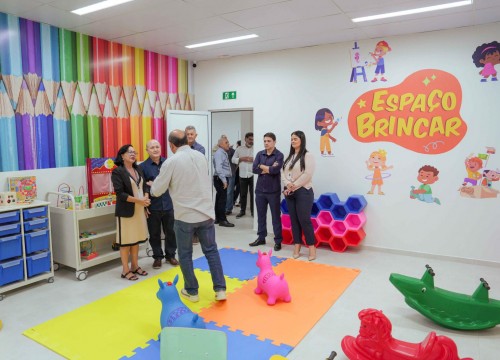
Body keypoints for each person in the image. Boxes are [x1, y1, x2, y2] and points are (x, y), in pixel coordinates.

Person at [151, 130, 227, 302]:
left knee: (185, 254)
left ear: (171, 145)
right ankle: (220, 289)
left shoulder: (171, 161)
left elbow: (157, 190)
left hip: (185, 216)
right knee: (211, 252)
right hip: (206, 213)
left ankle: (192, 291)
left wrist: (154, 184)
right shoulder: (201, 156)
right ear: (187, 140)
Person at [111, 144, 150, 280]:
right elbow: (120, 193)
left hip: (139, 209)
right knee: (126, 242)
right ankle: (125, 270)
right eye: (129, 152)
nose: (133, 154)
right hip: (126, 211)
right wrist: (139, 201)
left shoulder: (138, 168)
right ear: (122, 155)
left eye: (134, 152)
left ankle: (135, 266)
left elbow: (144, 185)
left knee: (136, 240)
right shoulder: (118, 171)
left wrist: (145, 197)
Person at [140, 139, 178, 269]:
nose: (155, 149)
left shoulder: (168, 163)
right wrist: (145, 206)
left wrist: (154, 183)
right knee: (154, 233)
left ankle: (170, 255)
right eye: (152, 147)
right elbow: (143, 187)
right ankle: (157, 257)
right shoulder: (143, 167)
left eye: (157, 147)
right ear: (147, 150)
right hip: (153, 206)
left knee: (171, 232)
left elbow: (174, 181)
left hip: (169, 203)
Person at [282, 131, 317, 261]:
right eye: (291, 139)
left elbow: (307, 174)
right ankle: (297, 245)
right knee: (294, 220)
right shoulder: (289, 156)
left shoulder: (308, 156)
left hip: (304, 191)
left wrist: (293, 185)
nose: (293, 141)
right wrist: (287, 184)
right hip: (290, 192)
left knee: (304, 220)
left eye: (295, 138)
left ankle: (311, 247)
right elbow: (283, 173)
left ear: (302, 140)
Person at [251, 132, 284, 251]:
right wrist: (267, 168)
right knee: (260, 215)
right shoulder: (260, 154)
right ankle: (261, 238)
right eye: (264, 141)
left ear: (274, 142)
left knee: (275, 217)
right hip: (260, 190)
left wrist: (262, 166)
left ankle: (278, 241)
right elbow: (254, 169)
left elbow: (275, 170)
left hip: (273, 191)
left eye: (269, 141)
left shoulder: (279, 155)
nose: (266, 143)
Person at [213, 136, 235, 227]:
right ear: (220, 144)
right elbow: (219, 168)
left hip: (220, 178)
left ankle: (218, 218)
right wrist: (224, 181)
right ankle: (222, 220)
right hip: (221, 179)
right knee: (222, 200)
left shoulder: (222, 152)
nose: (228, 144)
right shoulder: (219, 153)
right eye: (226, 142)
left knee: (219, 198)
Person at [232, 132, 254, 218]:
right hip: (242, 175)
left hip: (253, 175)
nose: (251, 141)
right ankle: (242, 211)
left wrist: (253, 159)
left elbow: (260, 159)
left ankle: (253, 211)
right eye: (250, 139)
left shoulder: (256, 148)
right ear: (245, 139)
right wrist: (241, 159)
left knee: (252, 194)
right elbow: (233, 159)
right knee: (243, 194)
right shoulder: (239, 149)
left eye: (252, 139)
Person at [226, 142, 237, 215]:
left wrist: (234, 170)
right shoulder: (219, 151)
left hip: (231, 174)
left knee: (229, 192)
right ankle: (223, 208)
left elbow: (236, 161)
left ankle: (228, 209)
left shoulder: (232, 151)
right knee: (223, 192)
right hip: (223, 175)